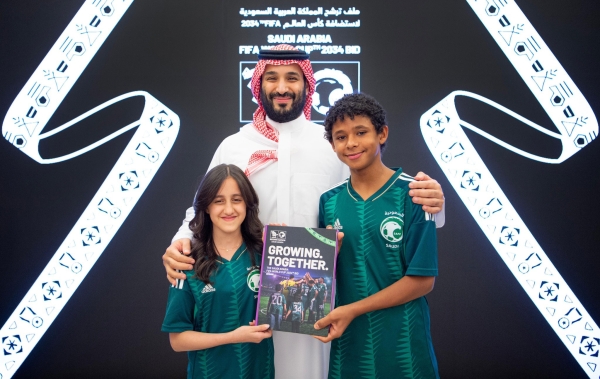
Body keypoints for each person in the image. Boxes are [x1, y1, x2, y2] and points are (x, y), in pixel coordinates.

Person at [162, 44, 445, 378]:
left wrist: (435, 206)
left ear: (307, 85)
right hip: (248, 294)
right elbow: (201, 209)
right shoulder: (234, 146)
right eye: (272, 78)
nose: (282, 87)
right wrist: (178, 245)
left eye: (292, 78)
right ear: (258, 85)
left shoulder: (331, 145)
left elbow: (362, 198)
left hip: (313, 297)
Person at [315, 93, 440, 378]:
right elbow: (322, 274)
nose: (352, 143)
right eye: (341, 137)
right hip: (348, 342)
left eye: (361, 132)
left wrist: (352, 310)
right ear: (333, 144)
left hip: (404, 343)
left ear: (382, 134)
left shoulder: (416, 193)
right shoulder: (328, 201)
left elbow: (422, 281)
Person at [161, 164, 274, 379]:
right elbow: (177, 340)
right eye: (219, 201)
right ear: (206, 207)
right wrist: (234, 336)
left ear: (248, 204)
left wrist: (286, 248)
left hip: (259, 372)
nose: (229, 209)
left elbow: (299, 305)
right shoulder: (186, 261)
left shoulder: (266, 253)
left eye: (237, 199)